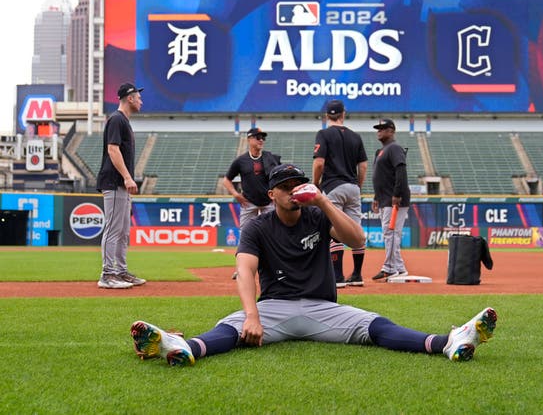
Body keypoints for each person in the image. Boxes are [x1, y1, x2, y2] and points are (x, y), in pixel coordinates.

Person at [130, 164, 498, 367]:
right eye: (285, 186)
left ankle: (448, 342)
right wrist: (252, 316)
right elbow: (244, 271)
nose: (293, 191)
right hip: (273, 309)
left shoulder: (317, 215)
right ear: (271, 194)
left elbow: (357, 241)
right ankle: (180, 346)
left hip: (324, 309)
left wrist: (322, 202)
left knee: (376, 326)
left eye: (298, 184)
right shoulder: (257, 226)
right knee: (232, 328)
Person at [96, 83, 146, 289]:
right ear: (130, 98)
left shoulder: (123, 121)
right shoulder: (117, 119)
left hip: (121, 184)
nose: (141, 100)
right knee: (113, 229)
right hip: (115, 181)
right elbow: (112, 150)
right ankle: (107, 274)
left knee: (124, 230)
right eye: (138, 97)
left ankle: (121, 272)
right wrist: (126, 177)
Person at [312, 100, 367, 288]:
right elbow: (364, 166)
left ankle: (338, 276)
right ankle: (358, 275)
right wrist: (357, 185)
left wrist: (315, 184)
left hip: (333, 185)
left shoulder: (324, 134)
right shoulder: (355, 136)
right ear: (343, 114)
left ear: (327, 116)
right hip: (352, 187)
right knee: (355, 231)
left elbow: (319, 163)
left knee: (335, 229)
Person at [222, 127, 281, 279]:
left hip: (268, 202)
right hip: (249, 203)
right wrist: (235, 194)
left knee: (273, 233)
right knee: (244, 235)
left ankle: (275, 267)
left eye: (262, 137)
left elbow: (278, 176)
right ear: (249, 139)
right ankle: (241, 268)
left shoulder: (270, 157)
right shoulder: (241, 161)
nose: (261, 140)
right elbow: (226, 180)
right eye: (257, 137)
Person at [370, 119, 411, 281]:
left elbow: (401, 171)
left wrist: (397, 194)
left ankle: (389, 268)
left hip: (394, 199)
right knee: (390, 232)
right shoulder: (381, 151)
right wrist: (376, 197)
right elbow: (380, 177)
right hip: (384, 198)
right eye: (378, 128)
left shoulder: (394, 148)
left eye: (383, 128)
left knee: (391, 233)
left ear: (391, 131)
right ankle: (399, 268)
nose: (379, 131)